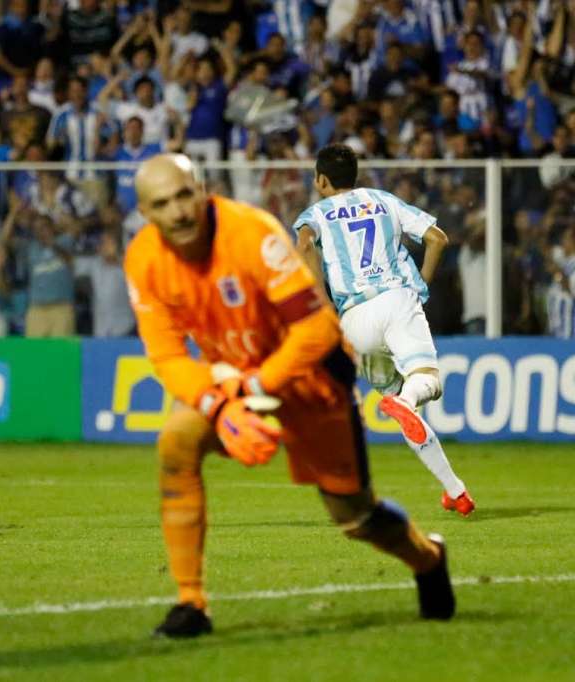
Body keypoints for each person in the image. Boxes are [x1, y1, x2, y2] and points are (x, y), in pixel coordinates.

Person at [126, 153, 454, 638]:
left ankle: (427, 558)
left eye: (183, 195)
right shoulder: (143, 260)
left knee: (354, 516)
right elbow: (168, 356)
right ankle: (191, 604)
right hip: (237, 376)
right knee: (176, 443)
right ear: (145, 213)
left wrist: (252, 389)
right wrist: (220, 405)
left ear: (202, 189)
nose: (178, 212)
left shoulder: (251, 233)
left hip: (310, 375)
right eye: (162, 204)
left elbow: (316, 329)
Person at [293, 143, 475, 516]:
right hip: (396, 299)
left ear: (321, 180)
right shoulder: (384, 199)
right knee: (426, 383)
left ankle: (455, 491)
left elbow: (305, 243)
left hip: (354, 321)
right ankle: (406, 402)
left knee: (399, 398)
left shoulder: (317, 213)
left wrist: (322, 302)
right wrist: (422, 283)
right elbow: (437, 238)